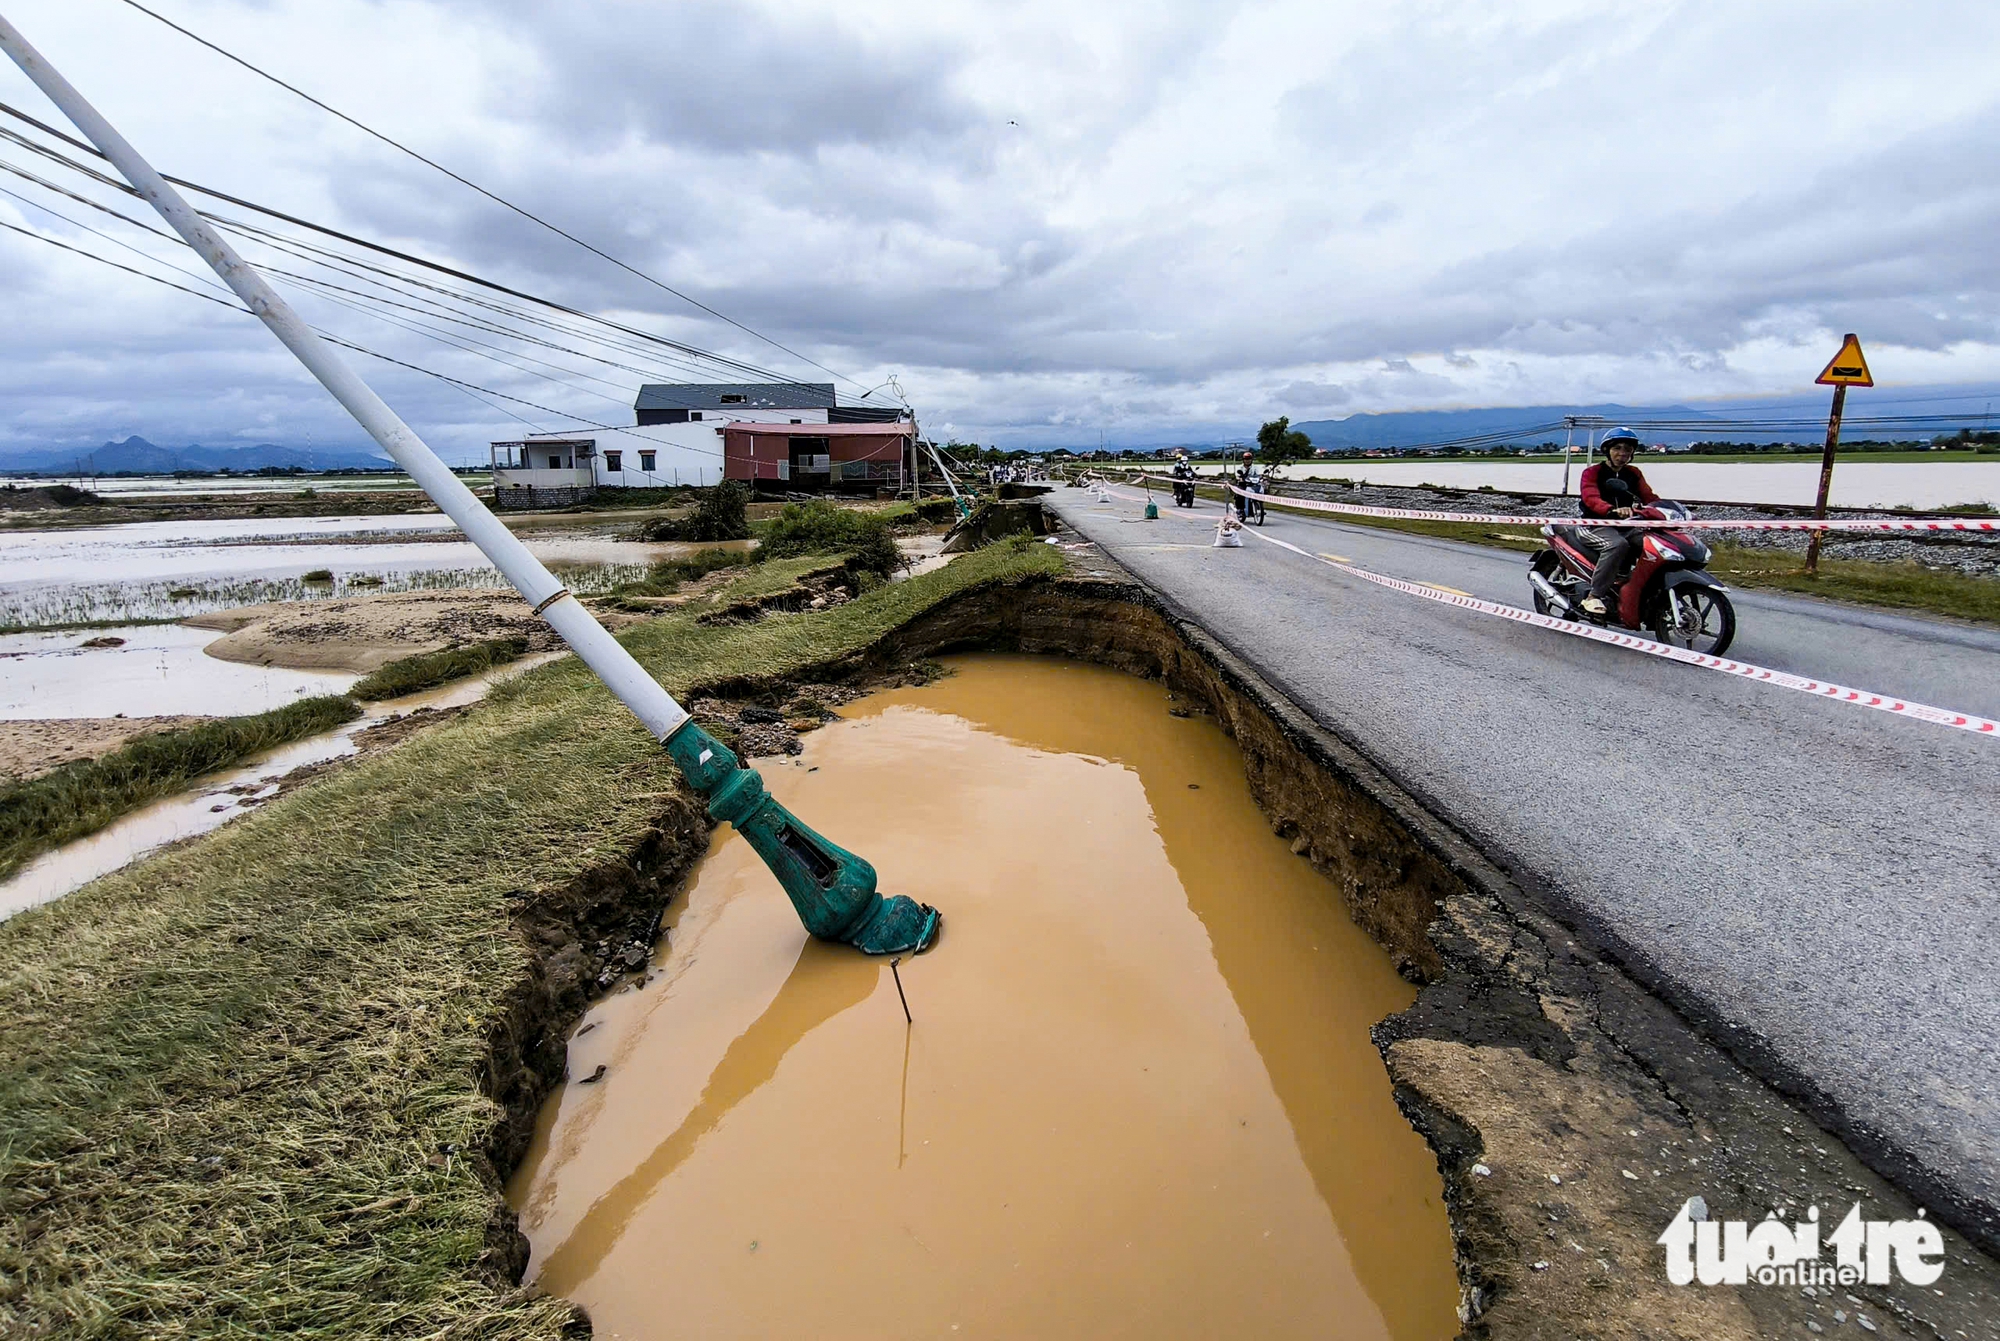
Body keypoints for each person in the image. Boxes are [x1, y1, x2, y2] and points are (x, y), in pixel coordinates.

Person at [1577, 427, 1659, 617]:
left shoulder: (1633, 473)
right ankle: (1593, 596)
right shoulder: (1592, 472)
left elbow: (1648, 496)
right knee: (1617, 545)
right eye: (1618, 448)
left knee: (1652, 544)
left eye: (1627, 450)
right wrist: (1611, 510)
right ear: (1607, 450)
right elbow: (1590, 497)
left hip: (1626, 525)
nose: (1622, 454)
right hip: (1594, 524)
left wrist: (1665, 509)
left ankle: (1638, 586)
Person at [1233, 450, 1262, 520]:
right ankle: (1240, 509)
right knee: (1240, 493)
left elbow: (1258, 475)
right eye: (1246, 459)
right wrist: (1240, 479)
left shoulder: (1255, 467)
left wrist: (1261, 478)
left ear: (1251, 460)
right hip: (1243, 484)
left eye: (1249, 459)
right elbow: (1237, 476)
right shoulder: (1240, 467)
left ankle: (1259, 506)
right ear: (1243, 460)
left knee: (1261, 491)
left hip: (1253, 484)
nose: (1247, 461)